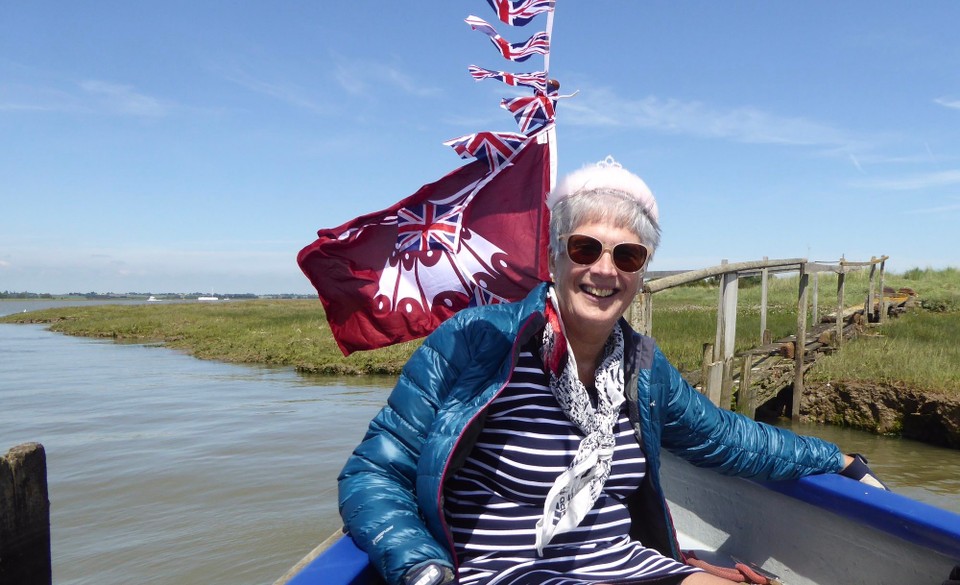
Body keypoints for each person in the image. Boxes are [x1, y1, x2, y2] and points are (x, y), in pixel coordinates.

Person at [337, 156, 885, 585]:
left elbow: (727, 438)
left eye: (627, 256)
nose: (604, 270)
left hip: (629, 567)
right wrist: (419, 566)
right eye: (585, 248)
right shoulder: (477, 341)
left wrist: (835, 458)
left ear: (641, 272)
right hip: (509, 574)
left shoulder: (644, 366)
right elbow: (373, 472)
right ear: (554, 257)